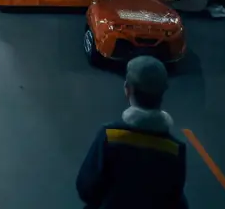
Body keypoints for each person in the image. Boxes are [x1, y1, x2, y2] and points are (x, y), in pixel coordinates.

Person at [76, 56, 188, 209]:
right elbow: (176, 200)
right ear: (162, 93)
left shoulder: (110, 137)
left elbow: (86, 188)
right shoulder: (175, 150)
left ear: (128, 89)